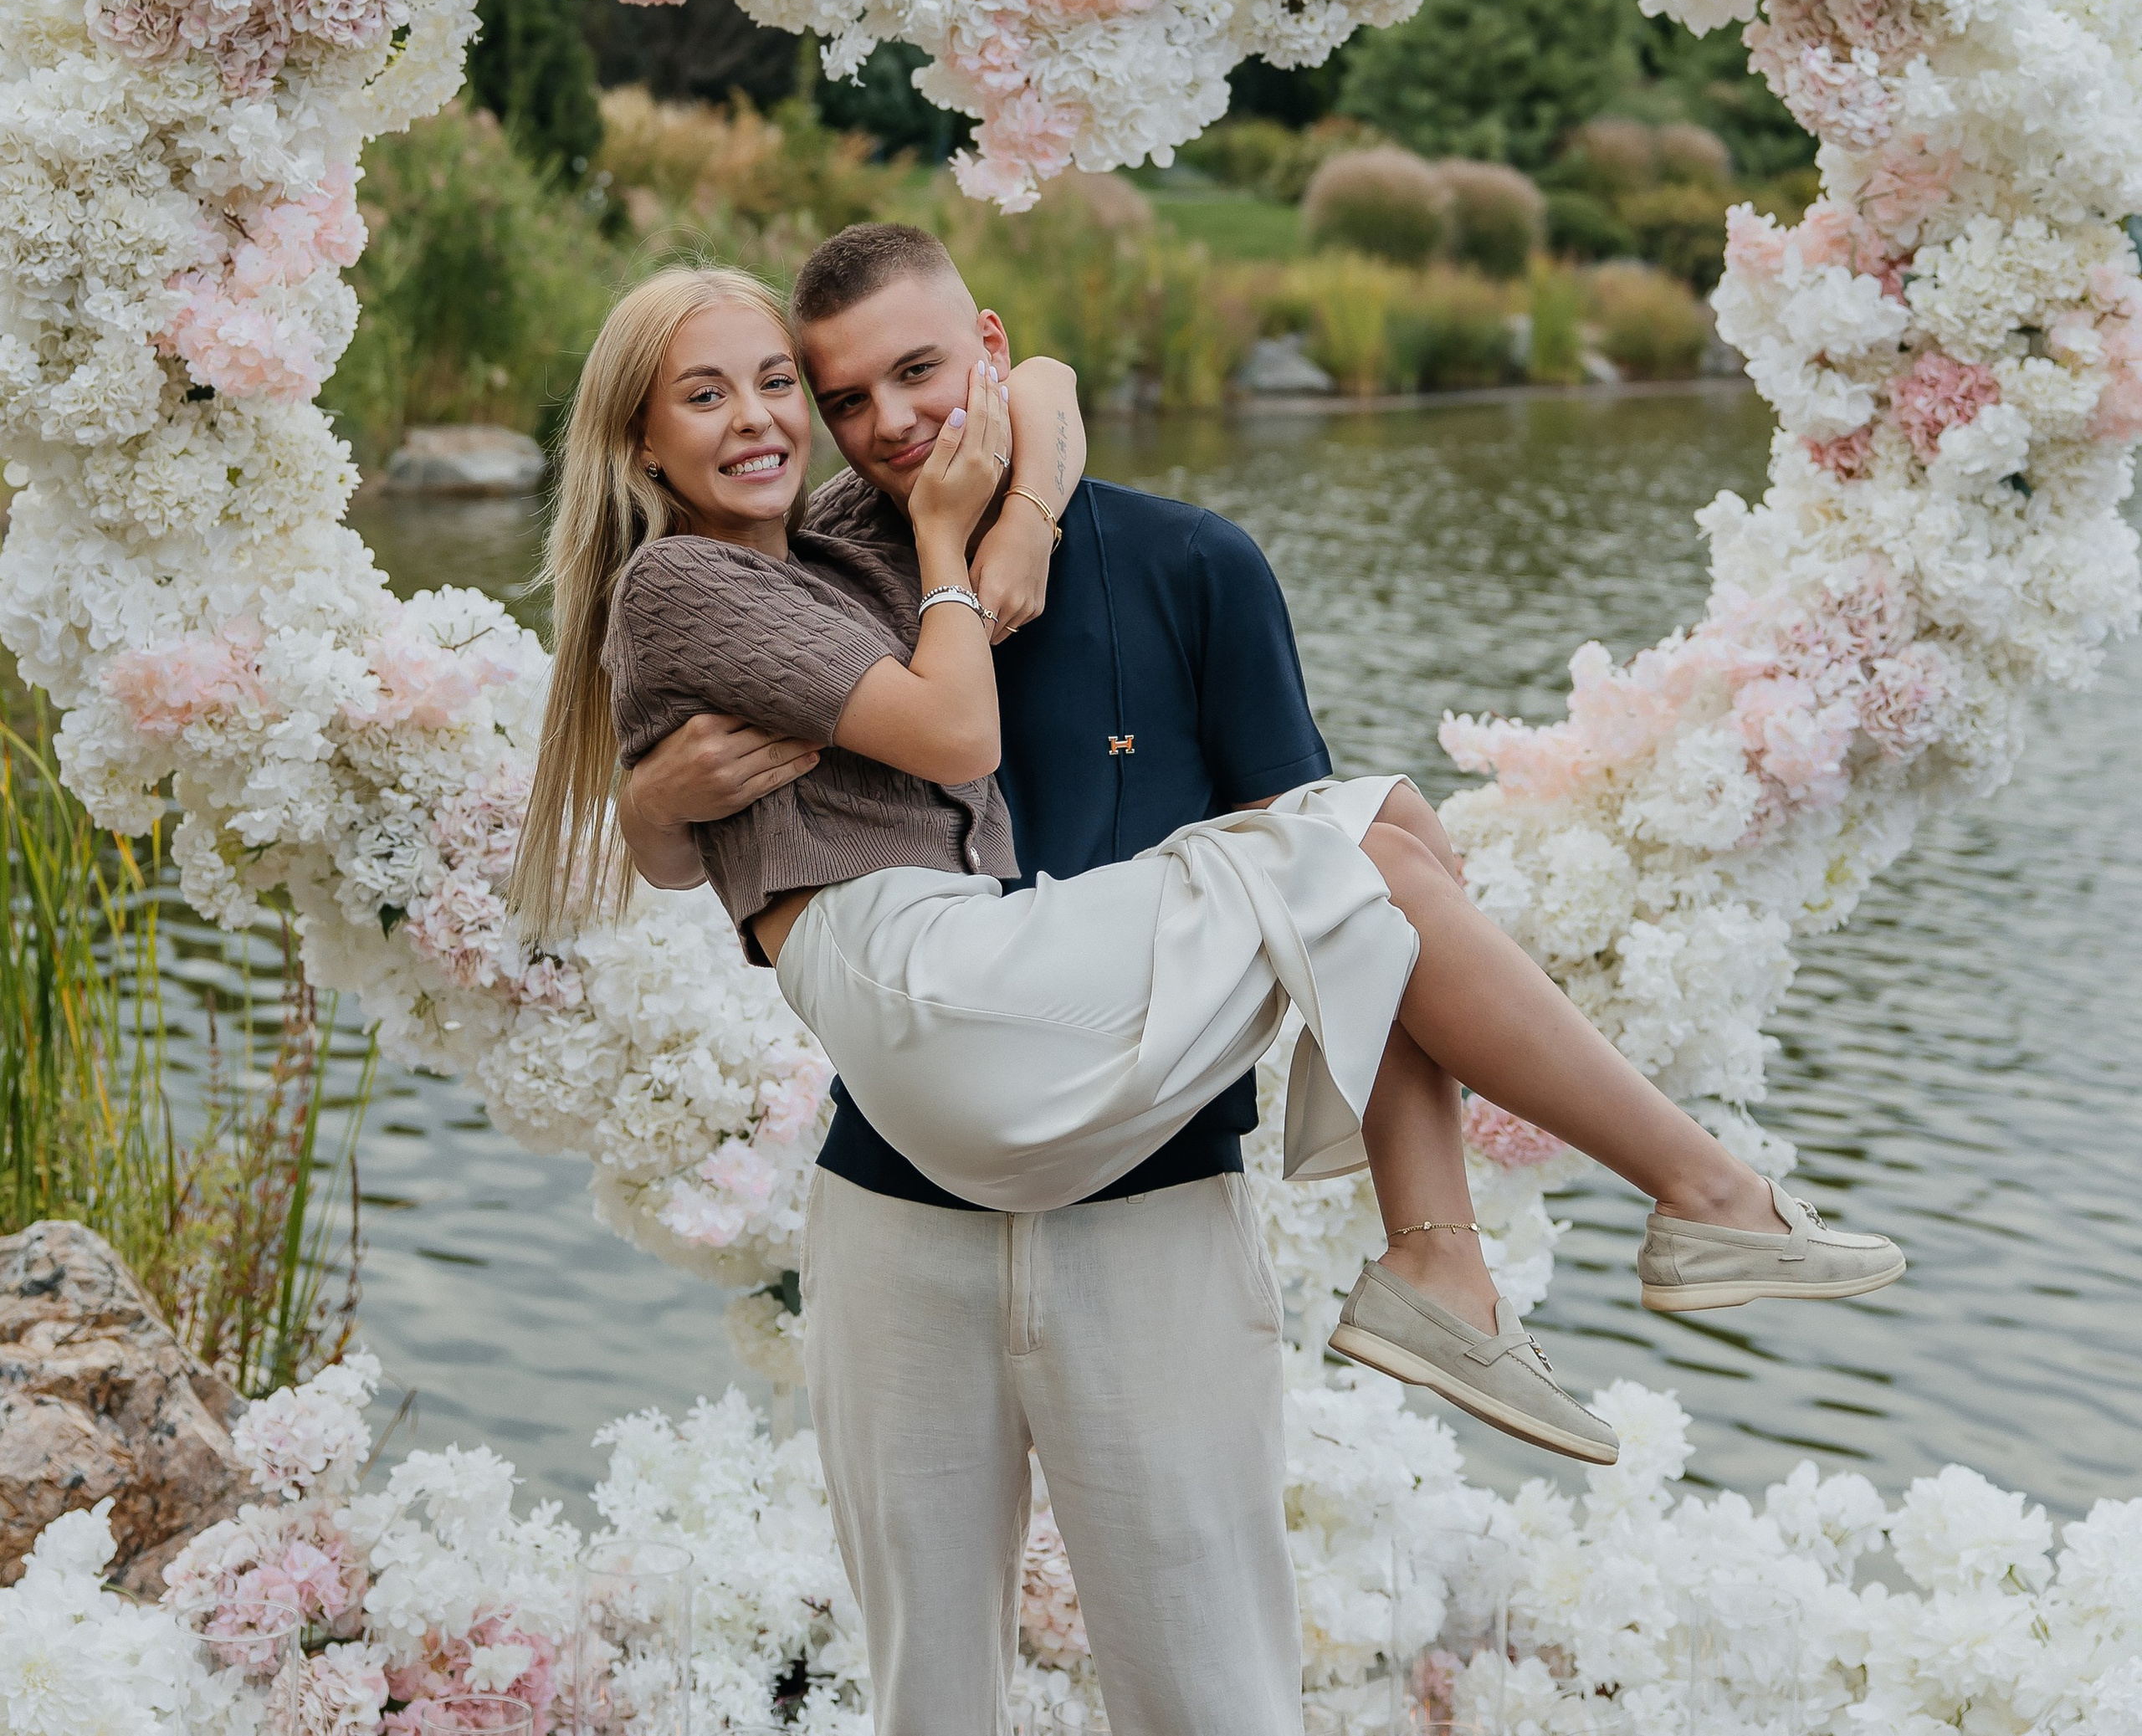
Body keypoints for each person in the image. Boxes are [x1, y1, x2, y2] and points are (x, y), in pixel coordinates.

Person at [516, 237, 1905, 1736]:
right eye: (765, 393)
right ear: (640, 441)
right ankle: (1632, 1212)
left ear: (983, 345)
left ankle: (1465, 1259)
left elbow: (1040, 392)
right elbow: (919, 738)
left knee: (1376, 845)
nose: (859, 420)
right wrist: (667, 792)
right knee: (1370, 854)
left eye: (802, 384)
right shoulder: (775, 567)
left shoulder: (1010, 548)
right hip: (923, 1088)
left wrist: (1019, 505)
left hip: (1108, 1150)